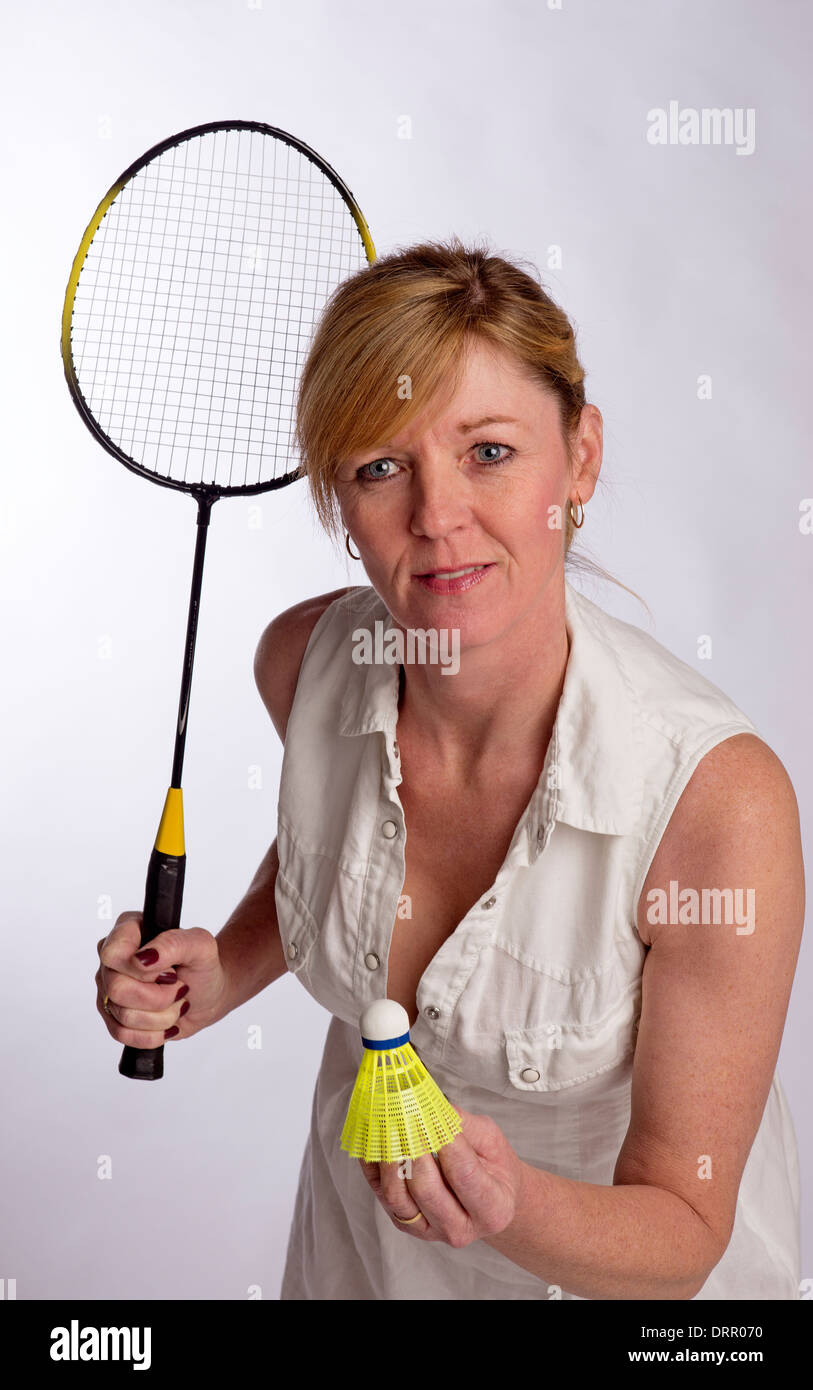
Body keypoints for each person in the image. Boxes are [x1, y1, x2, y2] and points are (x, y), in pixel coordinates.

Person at [96, 239, 804, 1300]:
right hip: (356, 1269)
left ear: (582, 459)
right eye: (382, 467)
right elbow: (330, 846)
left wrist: (508, 1203)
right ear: (341, 502)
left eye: (489, 452)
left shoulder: (717, 807)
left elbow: (687, 1231)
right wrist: (221, 968)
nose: (436, 517)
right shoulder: (307, 666)